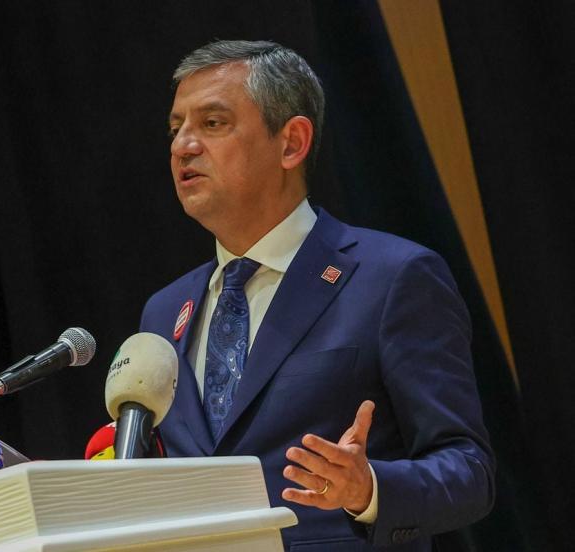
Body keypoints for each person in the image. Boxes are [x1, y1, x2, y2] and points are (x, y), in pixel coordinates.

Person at [139, 40, 494, 551]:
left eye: (212, 123)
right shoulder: (164, 312)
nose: (182, 146)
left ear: (292, 143)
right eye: (175, 129)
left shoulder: (392, 277)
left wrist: (368, 489)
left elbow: (469, 471)